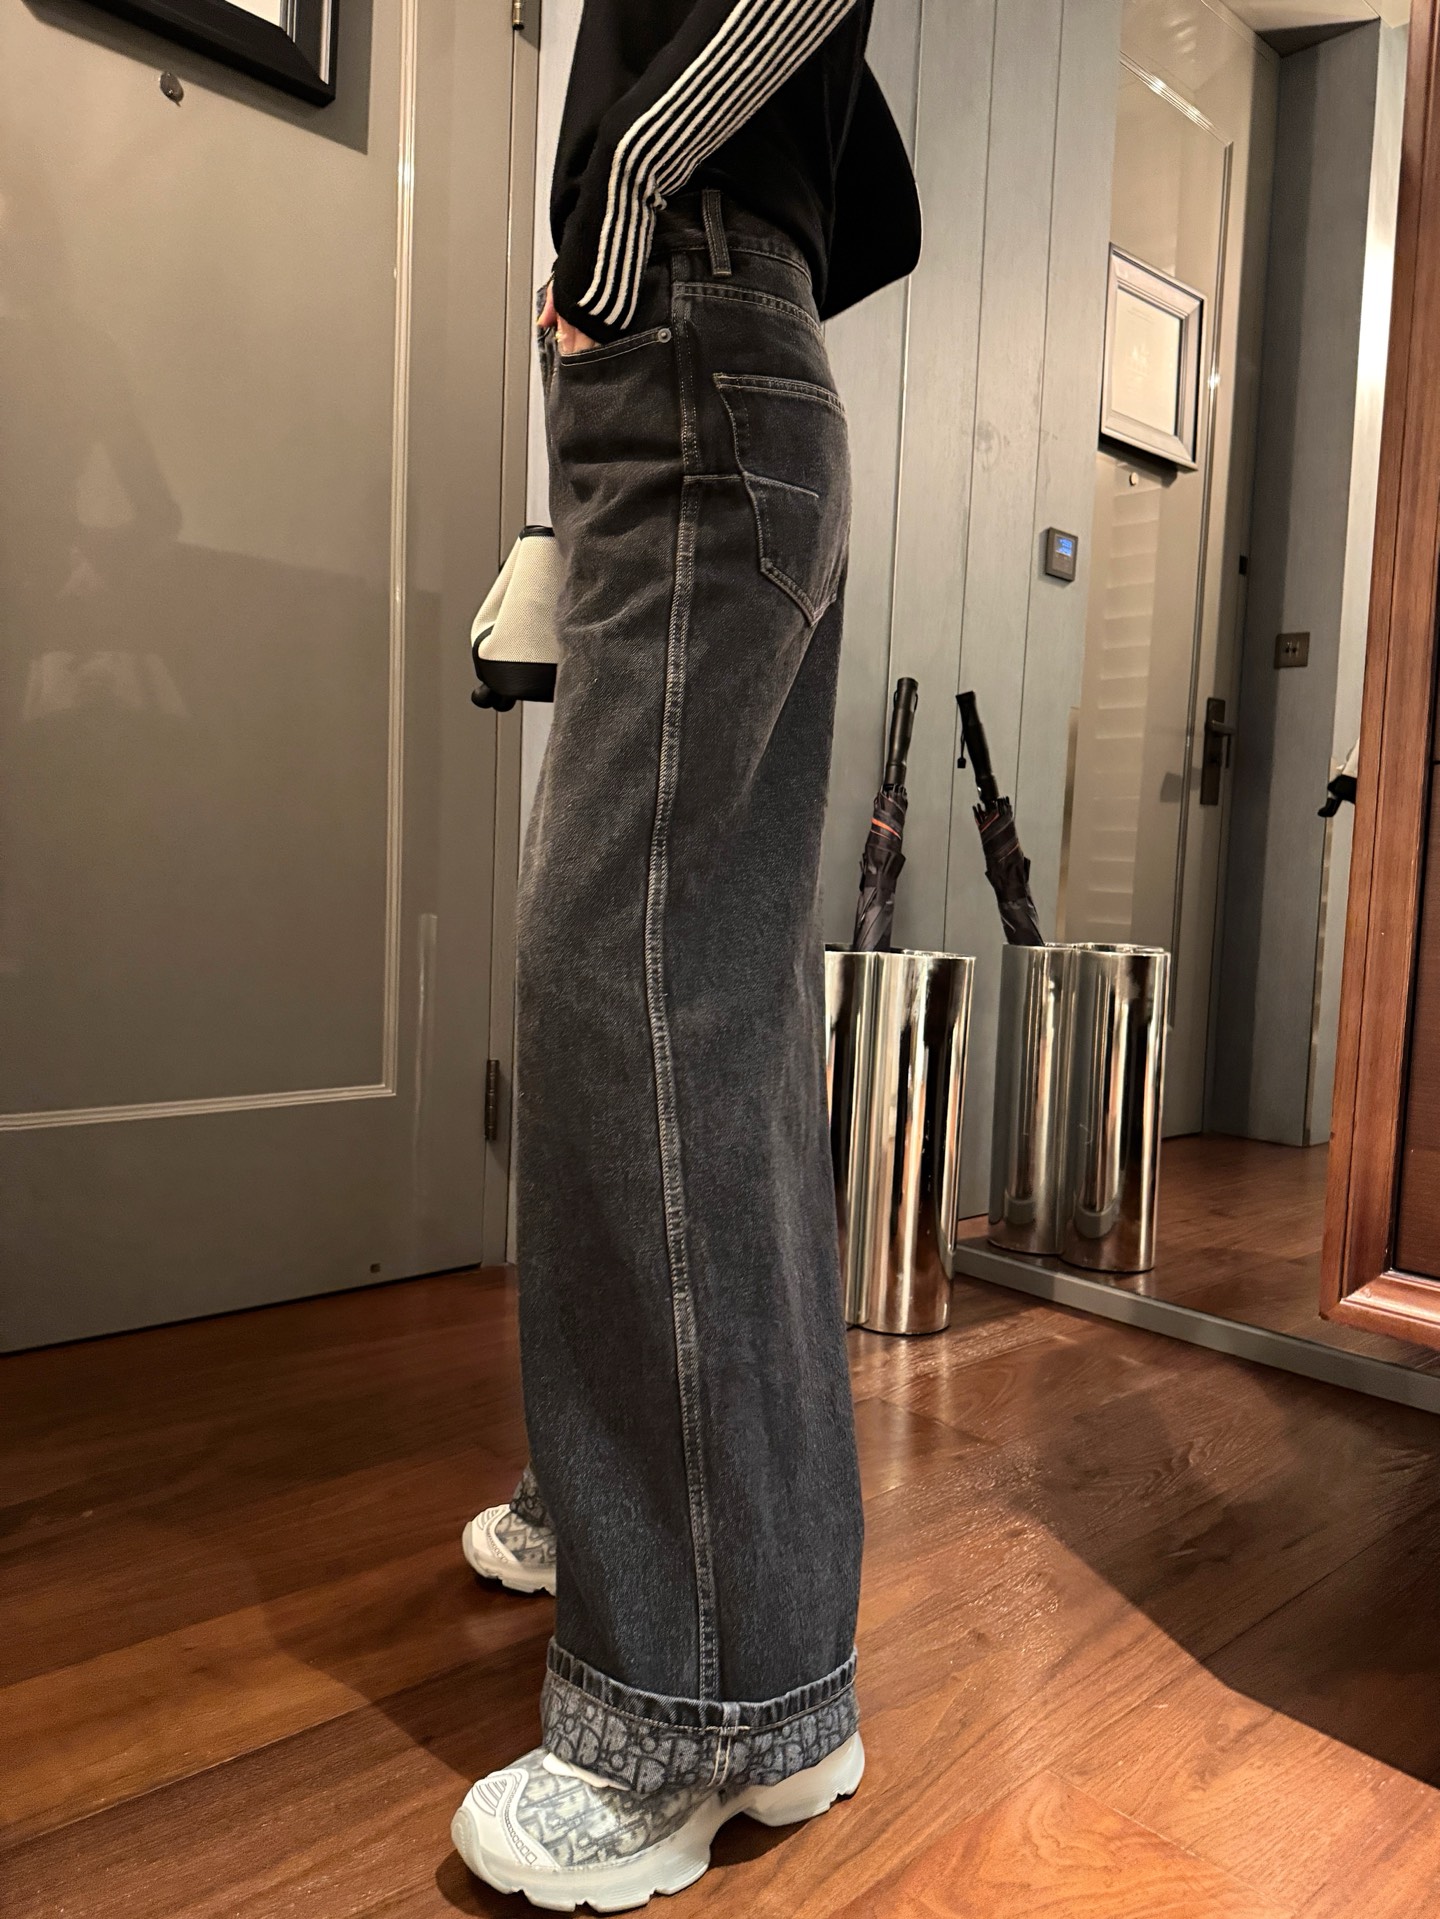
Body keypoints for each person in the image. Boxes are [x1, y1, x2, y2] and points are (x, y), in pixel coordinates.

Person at [451, 0, 920, 1906]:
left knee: (630, 993)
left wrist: (630, 198)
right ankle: (671, 1540)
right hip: (717, 353)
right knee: (695, 995)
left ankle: (710, 1706)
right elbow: (871, 199)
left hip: (697, 347)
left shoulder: (664, 221)